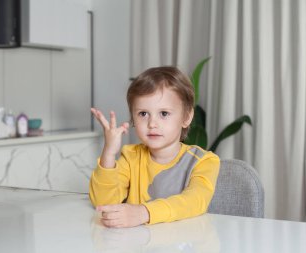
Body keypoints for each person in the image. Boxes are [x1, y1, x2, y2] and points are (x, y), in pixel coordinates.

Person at [89, 66, 220, 228]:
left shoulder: (204, 161)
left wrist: (144, 212)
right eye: (143, 114)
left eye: (164, 113)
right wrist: (108, 153)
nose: (152, 124)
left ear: (186, 117)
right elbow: (103, 203)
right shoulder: (131, 157)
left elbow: (195, 201)